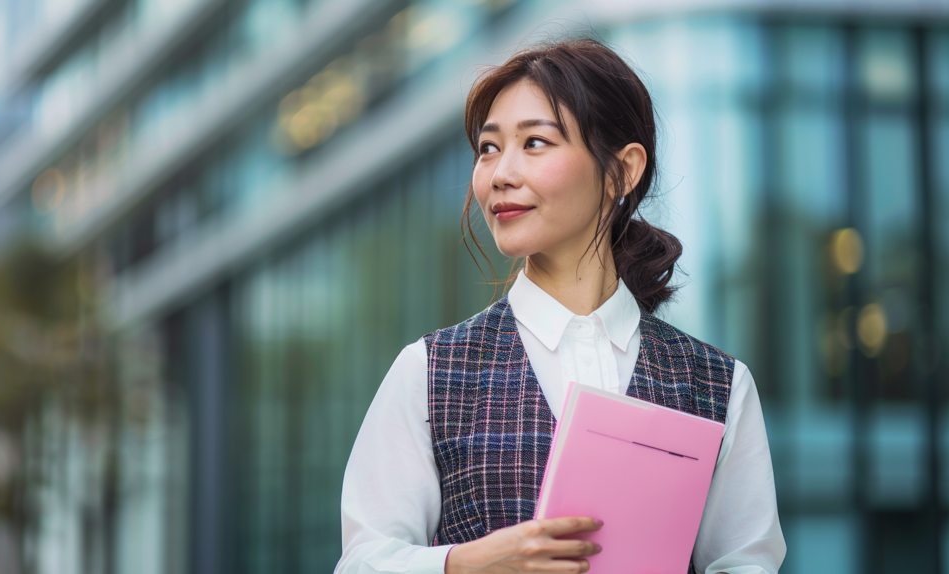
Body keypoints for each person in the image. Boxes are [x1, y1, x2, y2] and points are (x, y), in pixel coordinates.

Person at [335, 38, 785, 574]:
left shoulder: (717, 384)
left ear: (622, 171)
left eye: (535, 143)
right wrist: (466, 564)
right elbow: (362, 563)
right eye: (488, 148)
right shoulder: (430, 372)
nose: (499, 173)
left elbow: (746, 565)